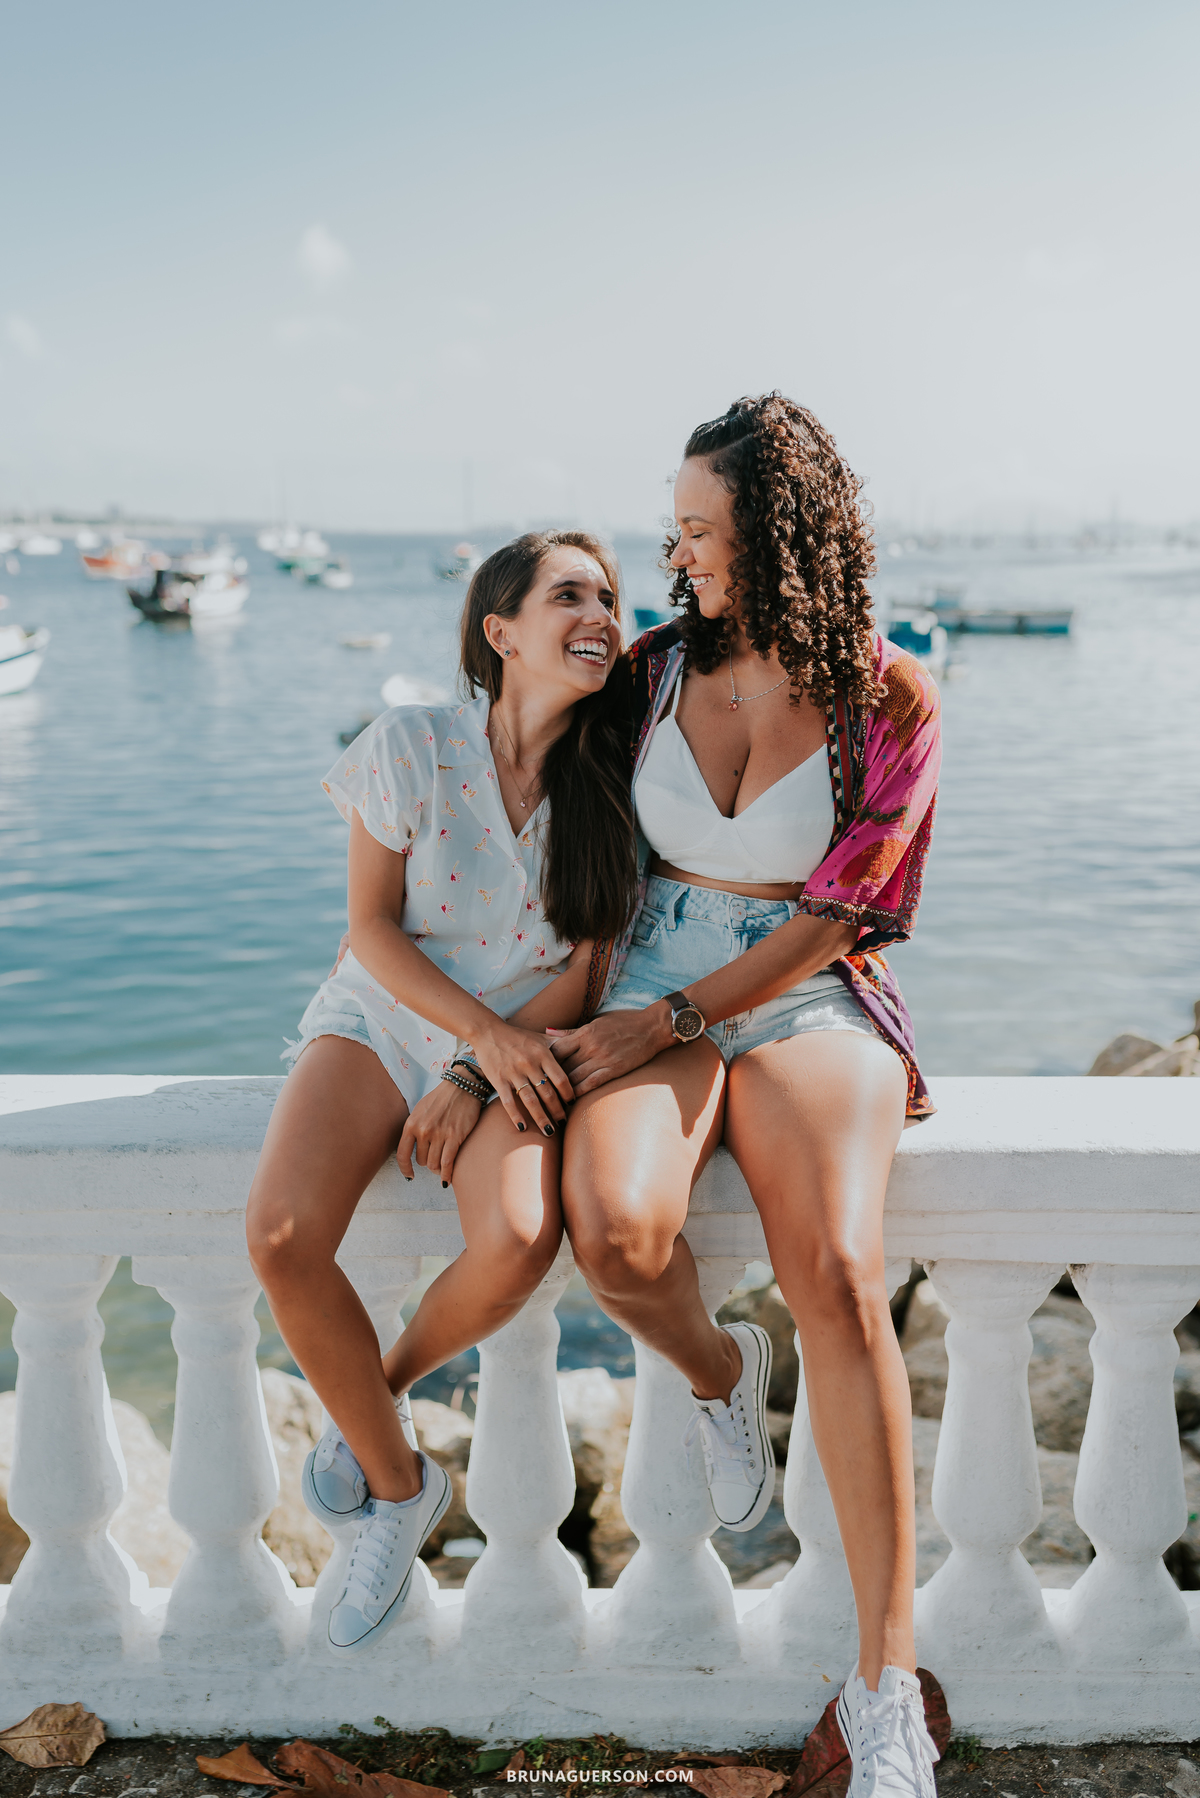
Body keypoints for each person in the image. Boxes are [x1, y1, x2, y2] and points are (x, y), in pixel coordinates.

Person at [547, 396, 941, 1798]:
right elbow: (520, 766)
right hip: (652, 967)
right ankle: (726, 1380)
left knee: (836, 1266)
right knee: (614, 1236)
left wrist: (680, 1014)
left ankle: (885, 1689)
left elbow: (845, 912)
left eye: (703, 526)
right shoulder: (648, 670)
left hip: (798, 984)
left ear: (777, 532)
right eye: (679, 524)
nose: (680, 548)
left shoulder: (890, 698)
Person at [245, 530, 636, 1653]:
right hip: (379, 1017)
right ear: (499, 630)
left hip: (521, 1041)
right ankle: (399, 1481)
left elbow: (590, 970)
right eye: (570, 593)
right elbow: (368, 926)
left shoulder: (611, 789)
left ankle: (377, 1388)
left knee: (517, 1237)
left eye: (609, 595)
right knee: (280, 1236)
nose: (600, 611)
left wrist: (481, 1065)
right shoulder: (412, 745)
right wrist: (464, 1039)